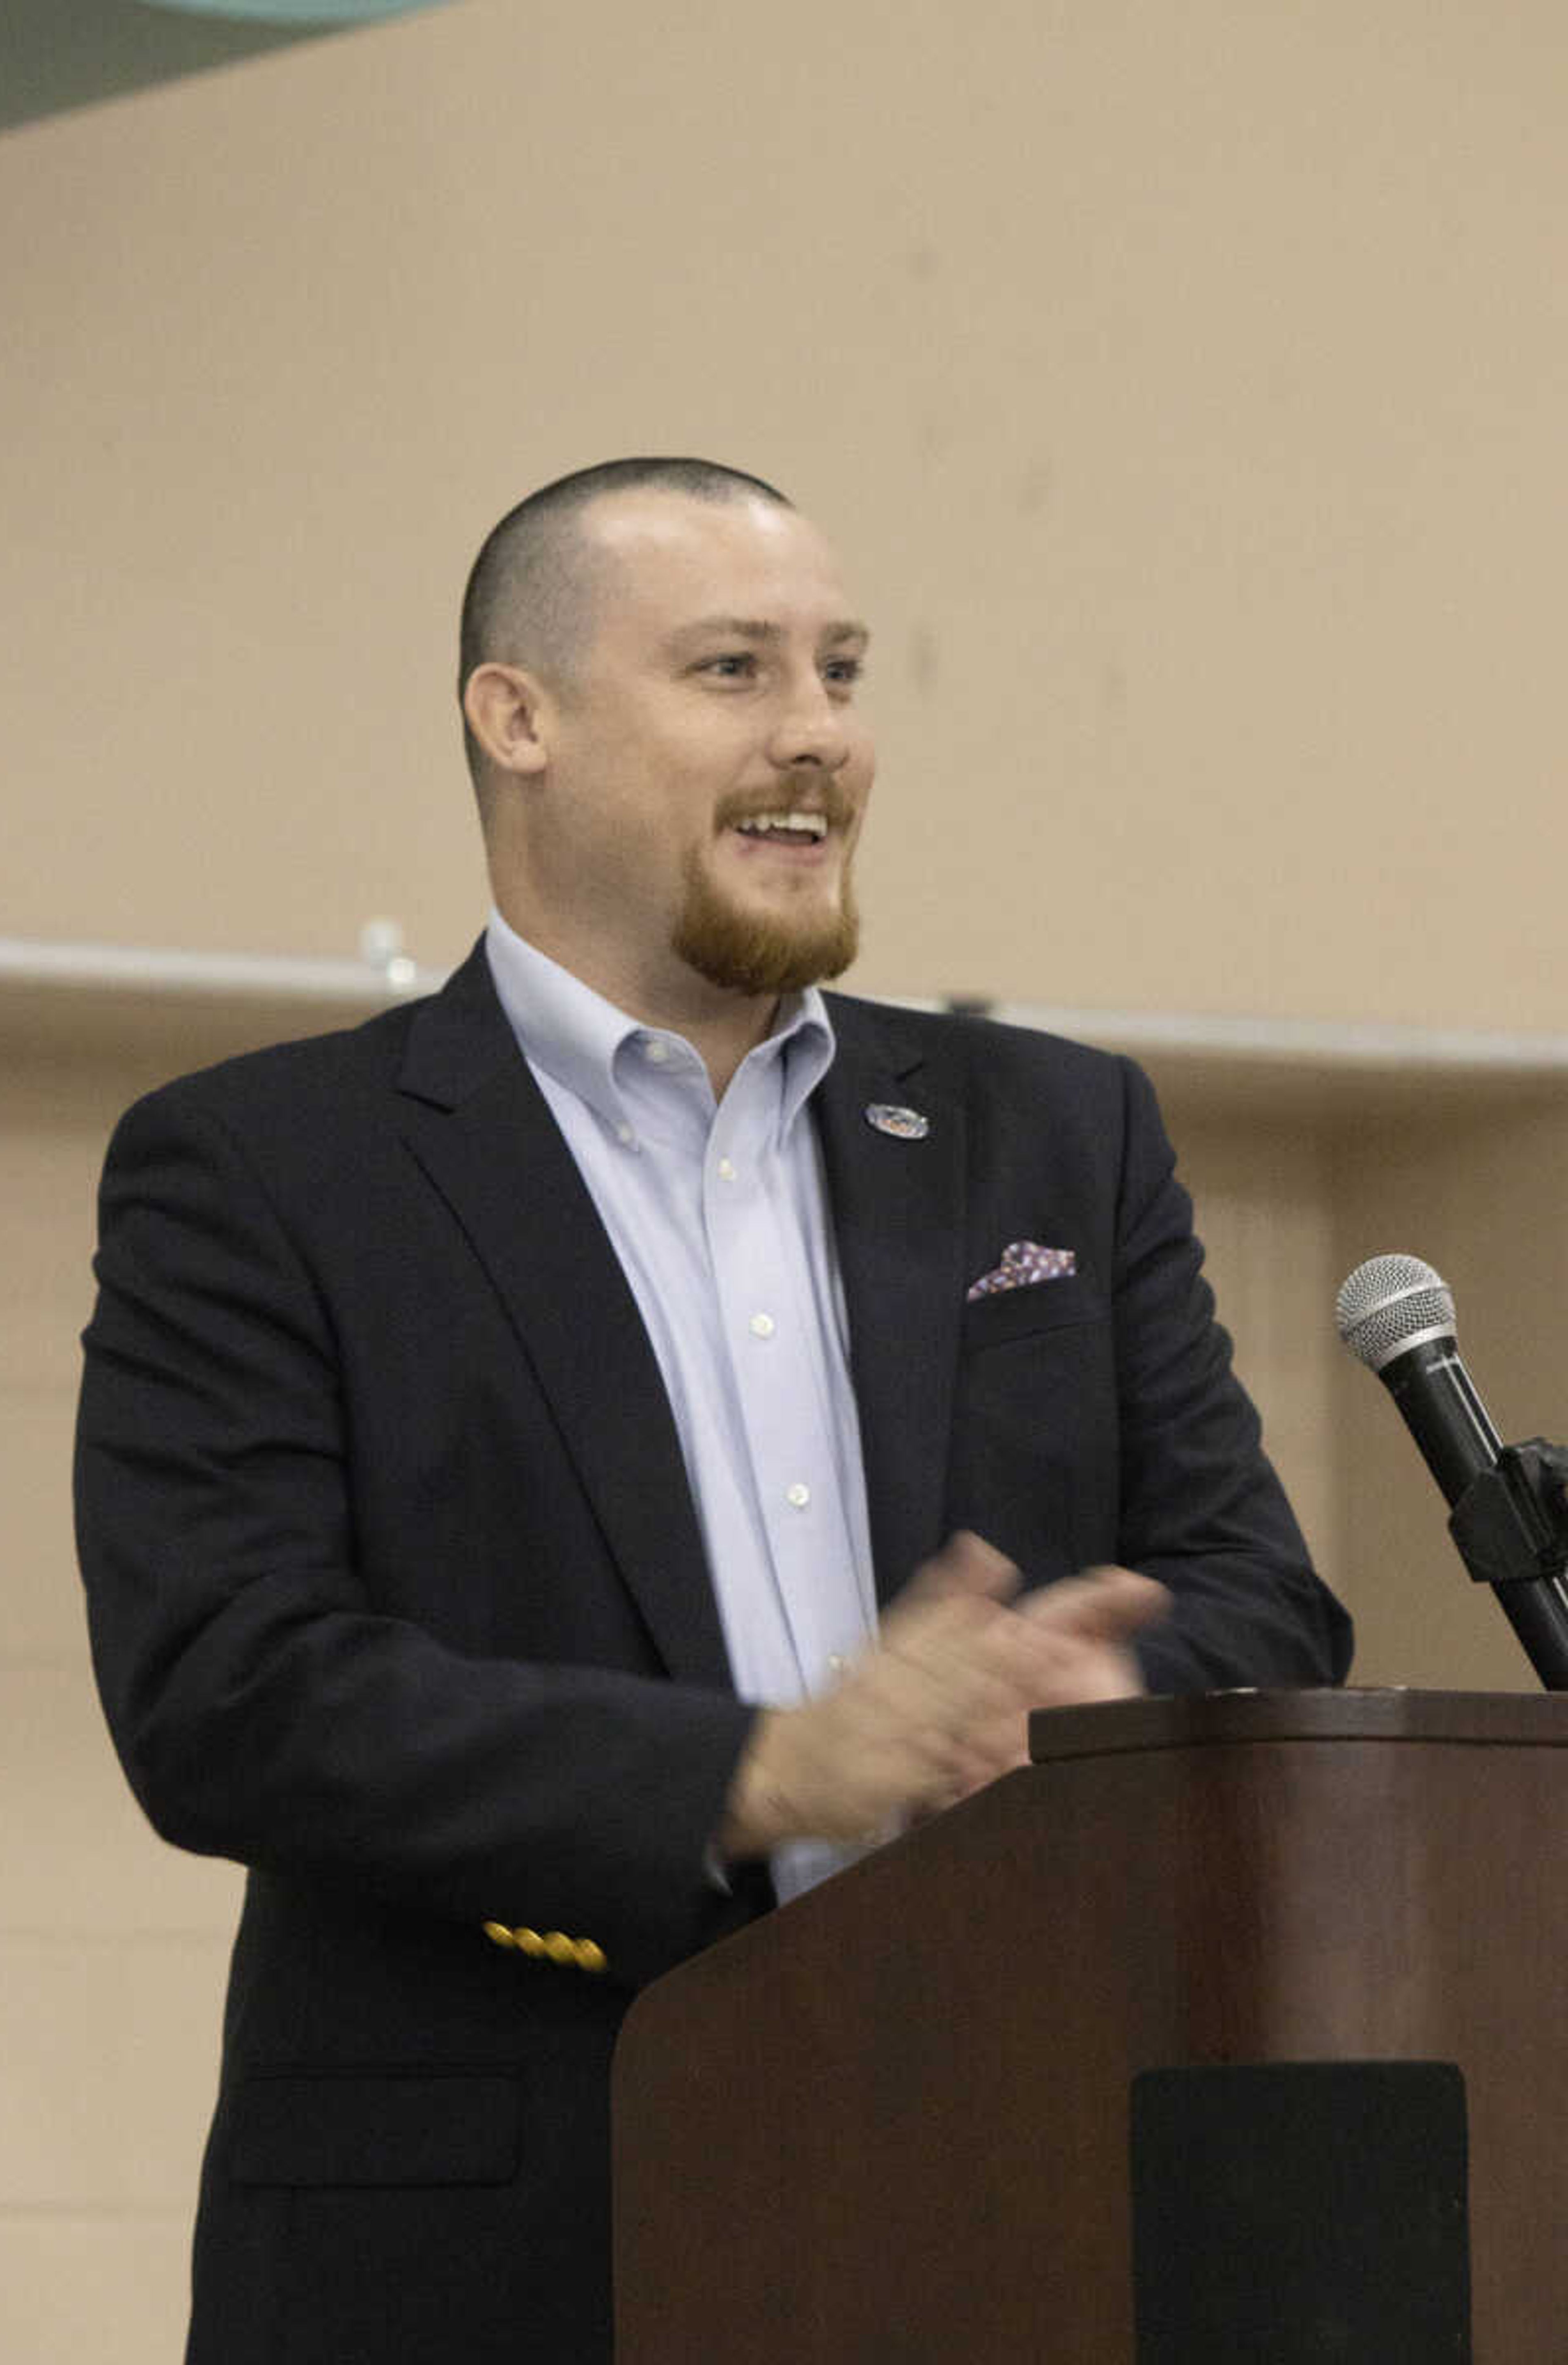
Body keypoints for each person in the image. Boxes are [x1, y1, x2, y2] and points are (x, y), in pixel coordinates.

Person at [74, 457, 1351, 2364]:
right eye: (736, 671)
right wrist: (754, 1776)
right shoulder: (267, 1170)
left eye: (842, 672)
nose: (819, 735)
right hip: (498, 2249)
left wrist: (1102, 1707)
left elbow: (1261, 1594)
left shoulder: (1055, 1136)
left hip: (1028, 2197)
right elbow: (231, 1692)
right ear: (521, 718)